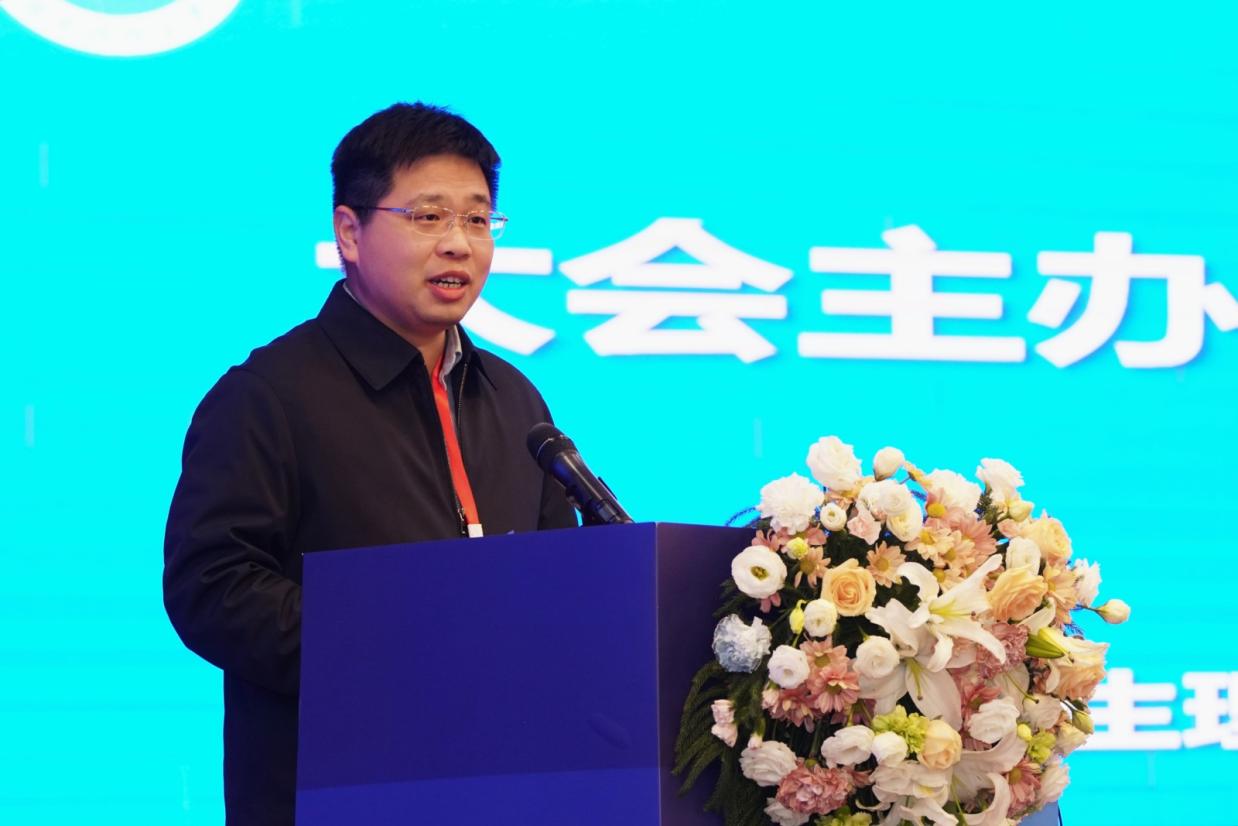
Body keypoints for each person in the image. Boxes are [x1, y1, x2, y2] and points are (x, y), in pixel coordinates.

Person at [163, 102, 577, 825]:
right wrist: (395, 648)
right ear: (349, 232)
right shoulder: (269, 396)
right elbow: (212, 587)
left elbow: (562, 579)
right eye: (428, 216)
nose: (459, 244)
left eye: (478, 220)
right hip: (334, 790)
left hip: (500, 786)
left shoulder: (515, 399)